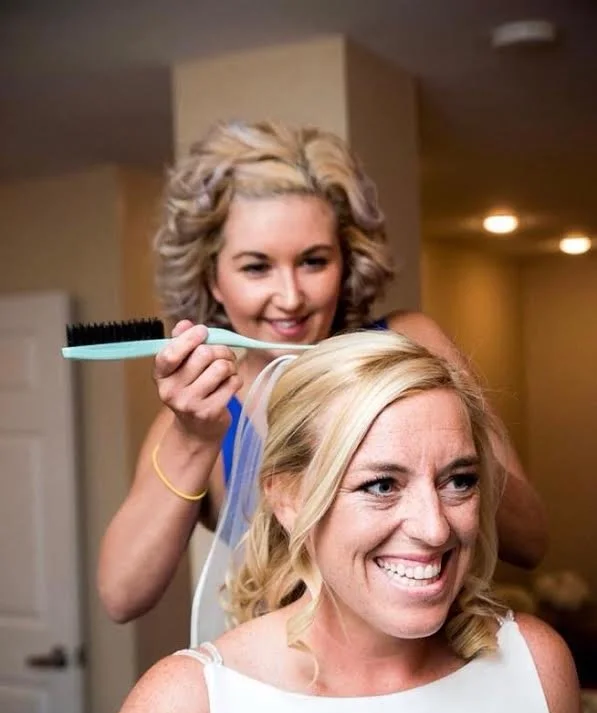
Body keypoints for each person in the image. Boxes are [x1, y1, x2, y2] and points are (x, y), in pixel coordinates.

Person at [78, 332, 592, 713]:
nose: (435, 527)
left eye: (459, 481)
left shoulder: (537, 668)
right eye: (381, 485)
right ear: (288, 497)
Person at [97, 120, 547, 624]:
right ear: (213, 279)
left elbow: (530, 541)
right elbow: (121, 596)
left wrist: (445, 450)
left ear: (346, 261)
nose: (291, 297)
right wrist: (194, 440)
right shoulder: (199, 419)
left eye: (313, 262)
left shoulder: (410, 344)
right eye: (256, 267)